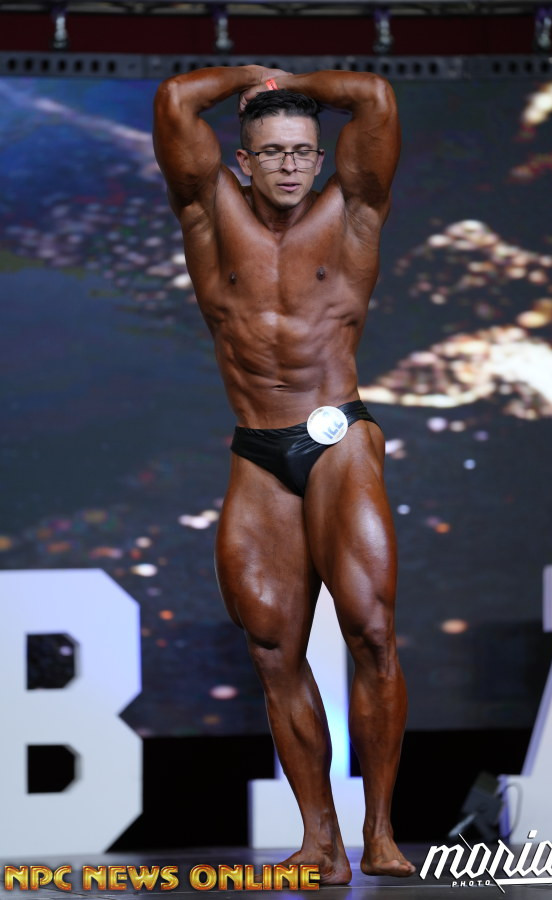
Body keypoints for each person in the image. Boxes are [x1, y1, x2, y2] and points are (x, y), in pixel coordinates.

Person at [153, 65, 414, 883]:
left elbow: (373, 97)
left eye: (304, 151)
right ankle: (320, 839)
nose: (293, 165)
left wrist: (290, 81)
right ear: (243, 161)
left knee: (370, 630)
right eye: (273, 152)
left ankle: (380, 830)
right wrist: (249, 77)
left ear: (321, 156)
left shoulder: (354, 208)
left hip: (337, 437)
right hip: (258, 450)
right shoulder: (208, 210)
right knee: (272, 648)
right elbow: (175, 101)